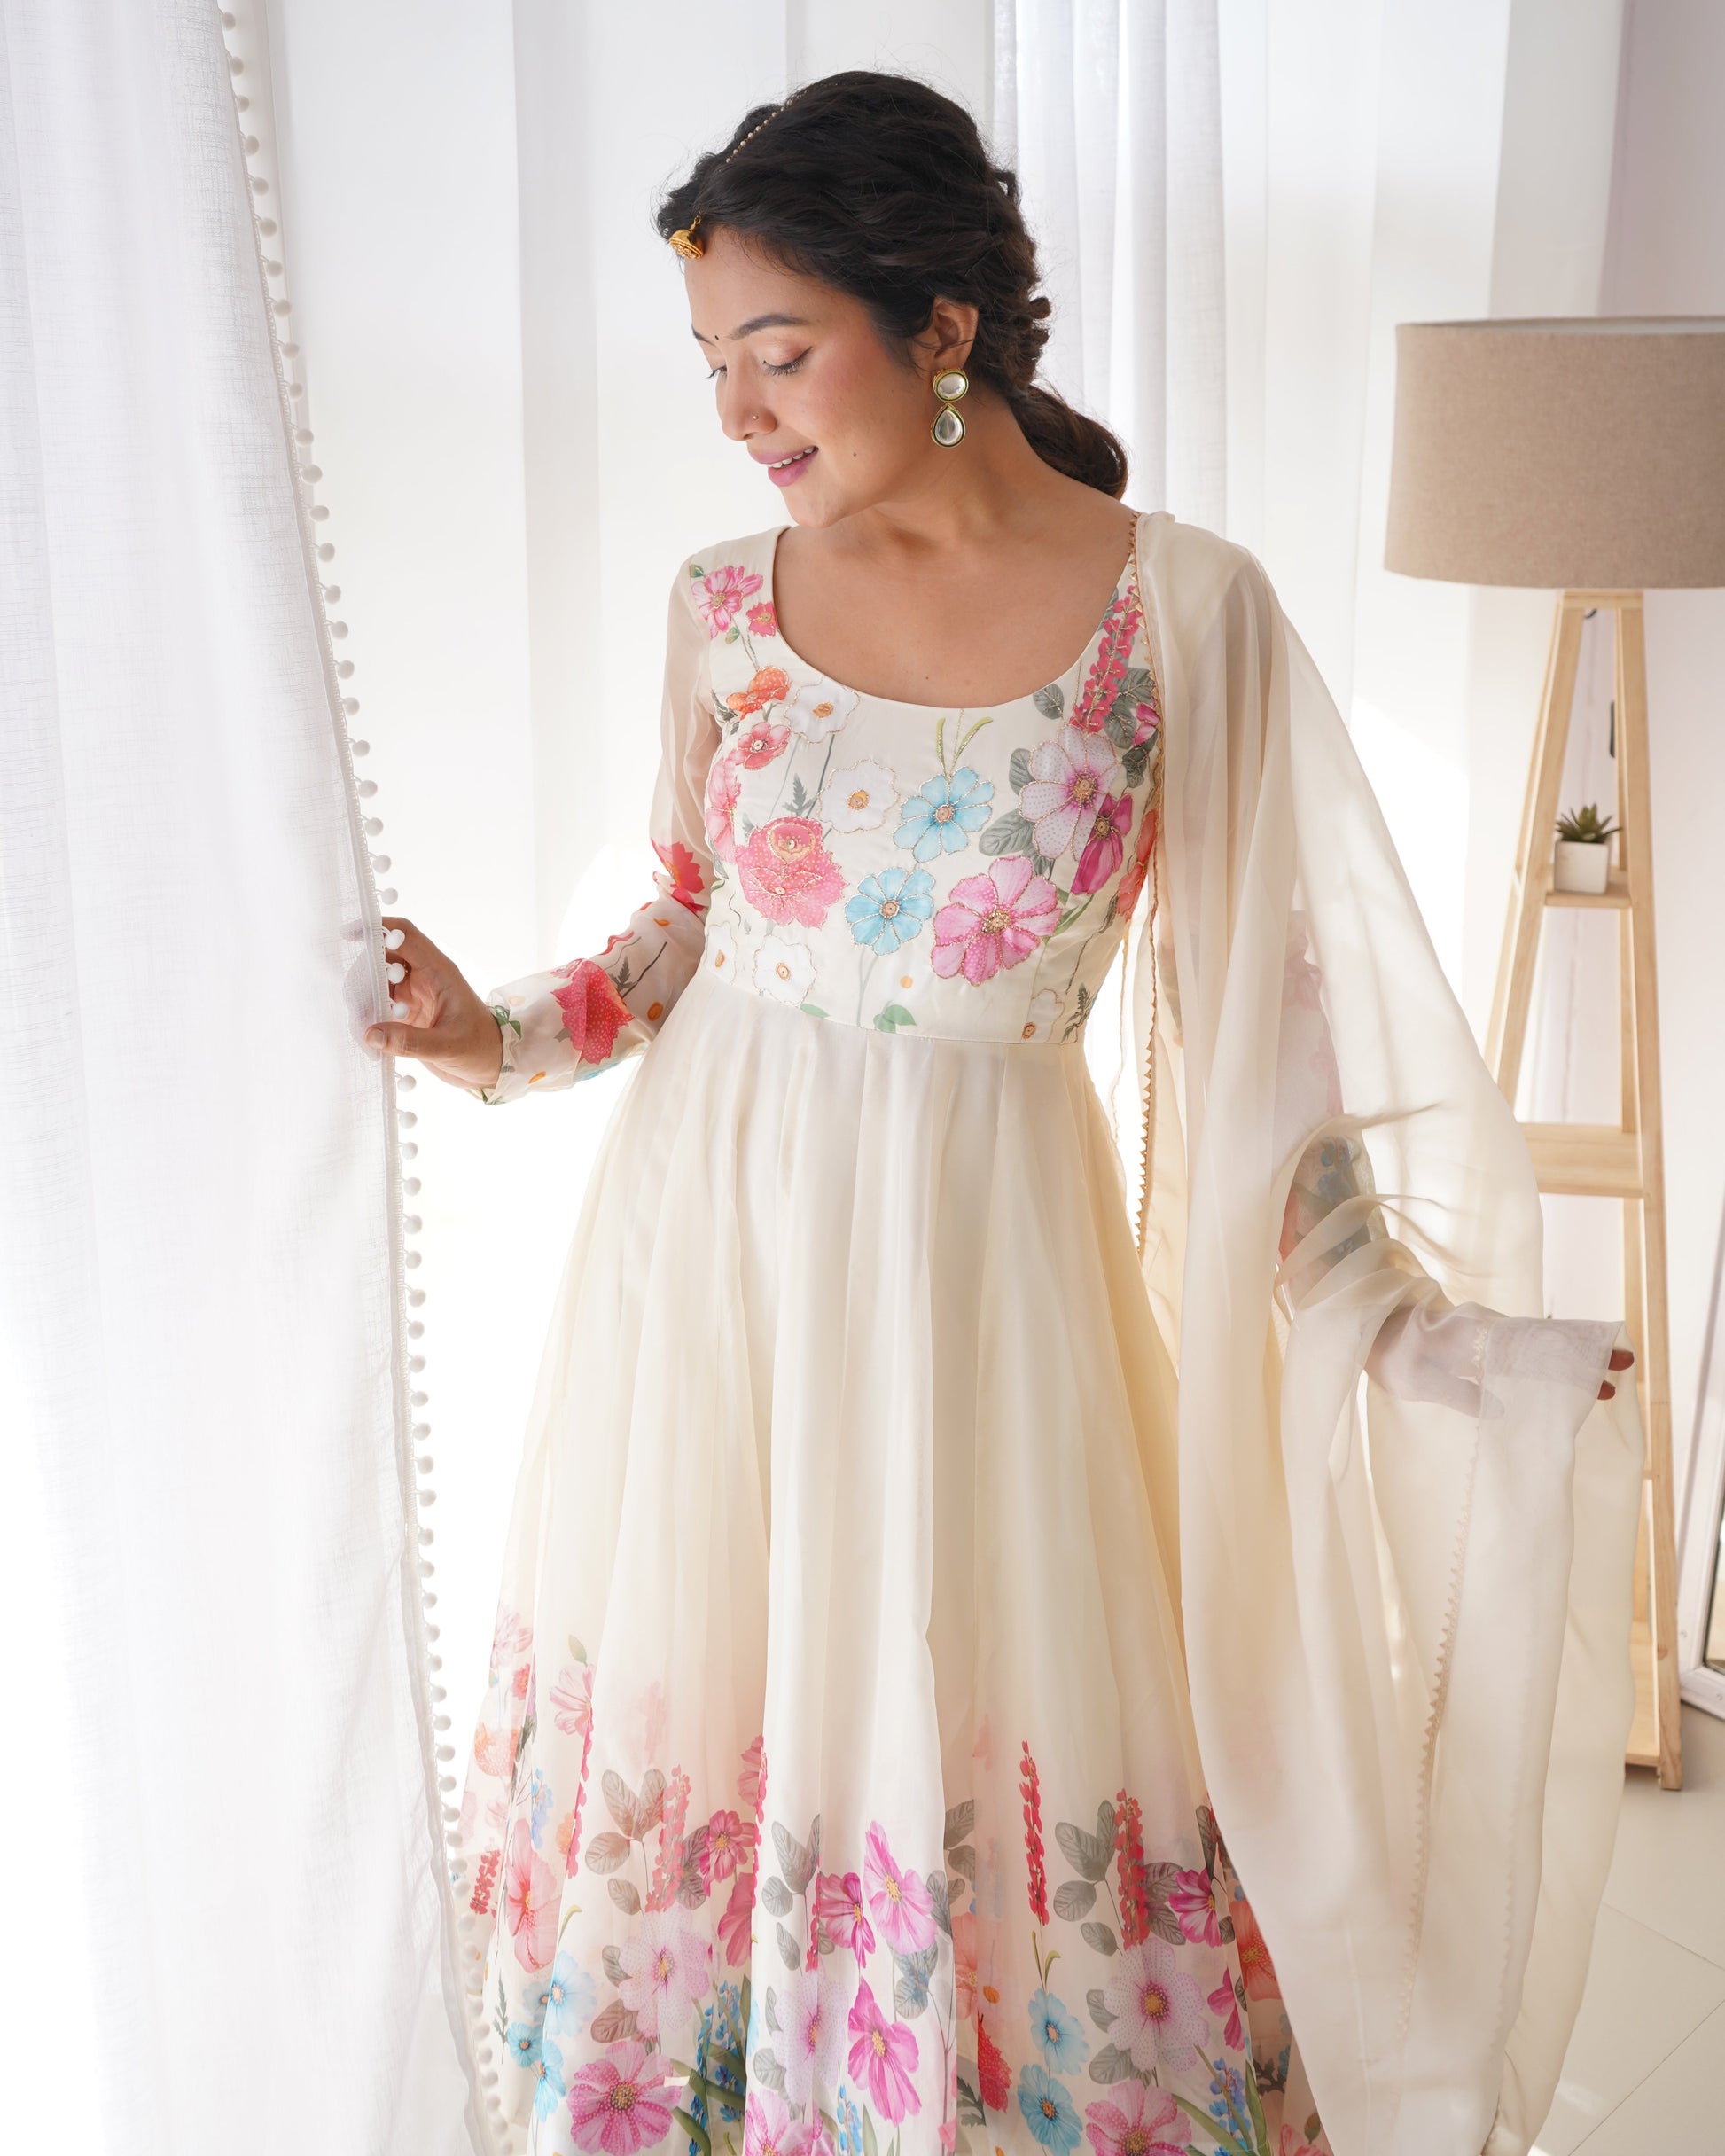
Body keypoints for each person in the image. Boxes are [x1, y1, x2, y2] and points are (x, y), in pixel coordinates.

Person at [366, 73, 1642, 2156]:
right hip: (709, 1286)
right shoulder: (719, 609)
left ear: (940, 325)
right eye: (711, 365)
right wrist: (477, 1035)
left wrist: (1443, 1346)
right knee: (714, 1767)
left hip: (986, 1299)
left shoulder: (1183, 617)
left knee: (988, 1753)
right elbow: (676, 933)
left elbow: (1277, 1057)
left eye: (779, 352)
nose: (738, 413)